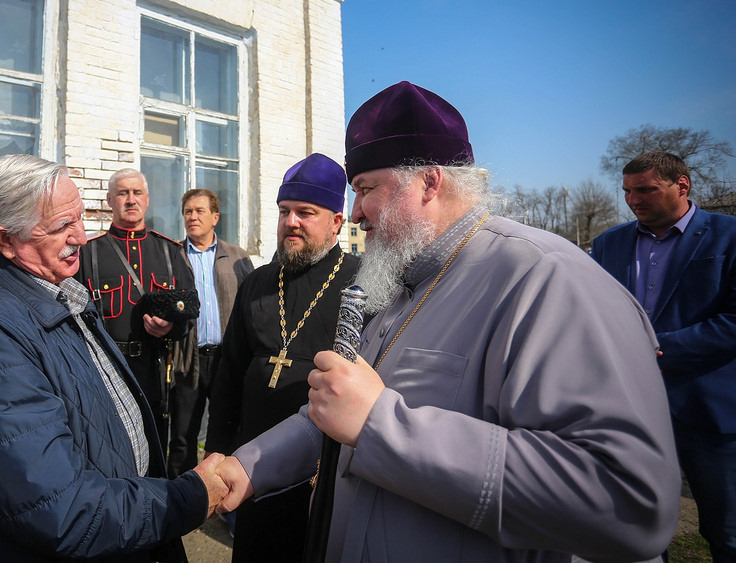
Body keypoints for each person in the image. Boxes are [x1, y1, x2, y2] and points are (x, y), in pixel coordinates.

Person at [213, 81, 681, 562]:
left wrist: (382, 427)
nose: (355, 214)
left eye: (366, 189)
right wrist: (248, 467)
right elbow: (338, 413)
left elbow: (630, 501)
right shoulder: (399, 286)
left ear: (429, 182)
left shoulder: (546, 278)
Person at [0, 154, 227, 562]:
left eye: (80, 217)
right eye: (62, 226)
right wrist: (188, 498)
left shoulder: (61, 291)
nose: (82, 236)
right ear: (6, 240)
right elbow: (61, 512)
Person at [206, 153, 360, 562]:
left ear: (336, 222)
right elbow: (230, 372)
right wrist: (218, 451)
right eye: (284, 211)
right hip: (252, 461)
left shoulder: (361, 284)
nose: (291, 222)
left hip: (319, 473)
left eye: (305, 213)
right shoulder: (257, 282)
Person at [591, 151, 736, 562]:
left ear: (682, 185)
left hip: (711, 413)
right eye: (627, 192)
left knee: (727, 533)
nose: (633, 200)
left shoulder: (729, 237)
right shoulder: (607, 245)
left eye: (646, 190)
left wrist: (658, 350)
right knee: (639, 531)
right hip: (630, 411)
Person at [77, 168, 196, 451]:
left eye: (137, 193)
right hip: (104, 373)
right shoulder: (88, 253)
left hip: (153, 374)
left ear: (147, 199)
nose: (131, 200)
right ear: (109, 200)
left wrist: (172, 327)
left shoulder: (169, 252)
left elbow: (189, 312)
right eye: (122, 193)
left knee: (154, 451)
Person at [167, 188, 254, 479]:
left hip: (226, 360)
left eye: (199, 211)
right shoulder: (173, 257)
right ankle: (181, 498)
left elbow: (252, 308)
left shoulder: (237, 258)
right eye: (187, 212)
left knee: (225, 429)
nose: (192, 217)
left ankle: (221, 492)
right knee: (182, 434)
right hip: (187, 361)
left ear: (215, 217)